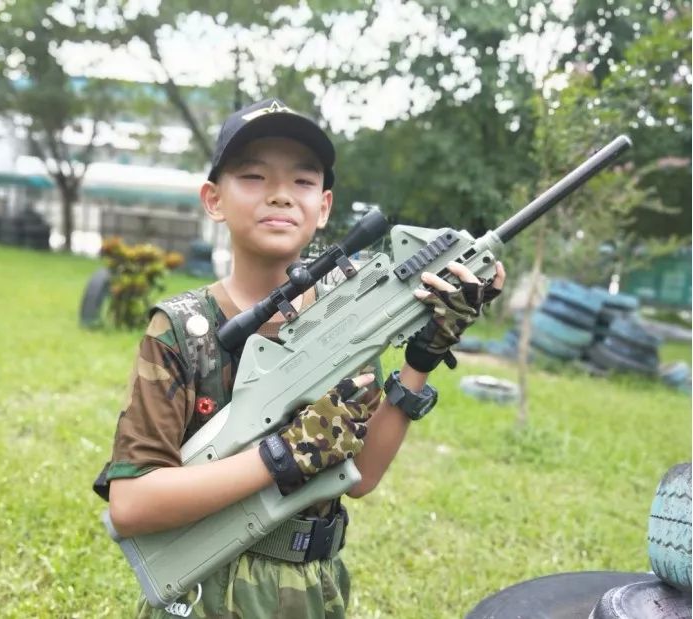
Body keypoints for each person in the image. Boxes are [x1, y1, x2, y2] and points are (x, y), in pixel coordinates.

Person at [99, 98, 506, 618]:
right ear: (213, 198)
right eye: (252, 176)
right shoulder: (183, 329)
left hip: (315, 589)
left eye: (302, 181)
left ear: (325, 206)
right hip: (206, 593)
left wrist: (424, 354)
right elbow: (131, 505)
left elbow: (363, 475)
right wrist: (283, 455)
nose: (280, 195)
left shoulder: (348, 314)